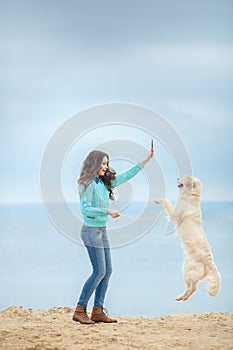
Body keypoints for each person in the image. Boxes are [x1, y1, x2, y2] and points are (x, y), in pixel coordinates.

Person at [73, 148, 154, 324]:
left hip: (101, 231)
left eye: (107, 163)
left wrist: (146, 160)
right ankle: (80, 310)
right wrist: (108, 211)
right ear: (94, 164)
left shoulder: (103, 183)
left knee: (107, 271)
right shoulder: (87, 184)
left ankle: (98, 311)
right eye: (103, 163)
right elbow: (85, 209)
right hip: (90, 232)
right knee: (99, 271)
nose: (106, 166)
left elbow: (126, 176)